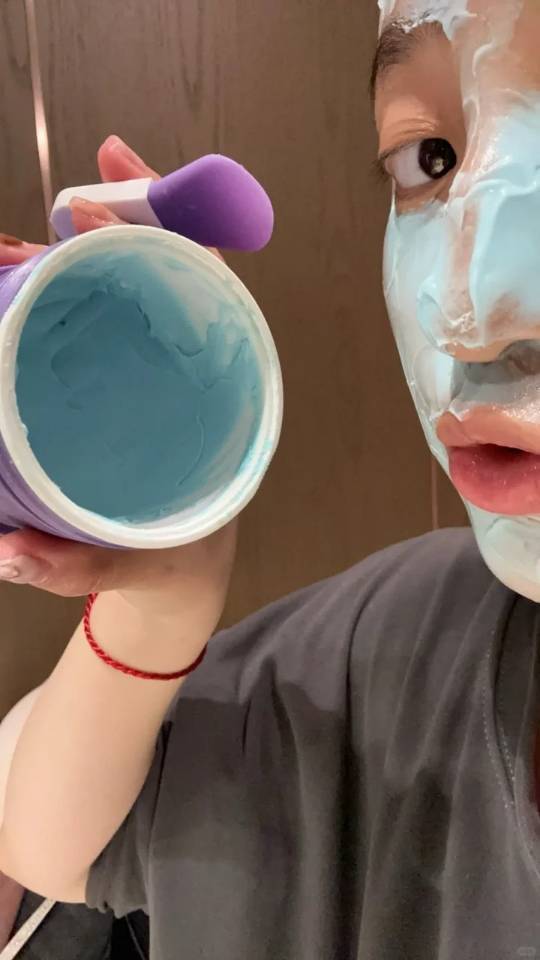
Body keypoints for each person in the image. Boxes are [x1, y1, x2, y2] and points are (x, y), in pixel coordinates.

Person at [1, 1, 540, 956]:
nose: (469, 313)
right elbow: (45, 841)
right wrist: (162, 598)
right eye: (432, 159)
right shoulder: (415, 635)